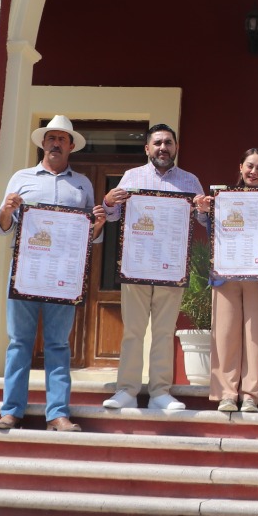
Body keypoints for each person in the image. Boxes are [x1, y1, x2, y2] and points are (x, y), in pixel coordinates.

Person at [0, 116, 106, 432]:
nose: (56, 143)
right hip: (25, 271)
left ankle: (57, 414)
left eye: (62, 139)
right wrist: (5, 210)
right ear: (43, 143)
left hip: (63, 275)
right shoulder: (21, 177)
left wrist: (96, 226)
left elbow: (91, 237)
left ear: (71, 146)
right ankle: (11, 410)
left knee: (58, 344)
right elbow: (1, 228)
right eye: (51, 138)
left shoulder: (82, 184)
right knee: (19, 342)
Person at [102, 123, 212, 413]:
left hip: (170, 269)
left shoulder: (190, 181)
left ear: (175, 147)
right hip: (136, 267)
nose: (163, 147)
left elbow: (203, 221)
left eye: (169, 143)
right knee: (133, 331)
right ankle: (126, 389)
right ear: (147, 148)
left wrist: (203, 209)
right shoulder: (131, 177)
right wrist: (108, 201)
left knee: (164, 332)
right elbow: (112, 217)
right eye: (158, 143)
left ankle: (160, 392)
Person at [208, 148, 258, 413]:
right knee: (225, 335)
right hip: (226, 275)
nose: (253, 172)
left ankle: (252, 395)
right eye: (250, 166)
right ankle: (227, 394)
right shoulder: (223, 199)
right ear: (240, 167)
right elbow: (214, 233)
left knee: (256, 337)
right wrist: (205, 211)